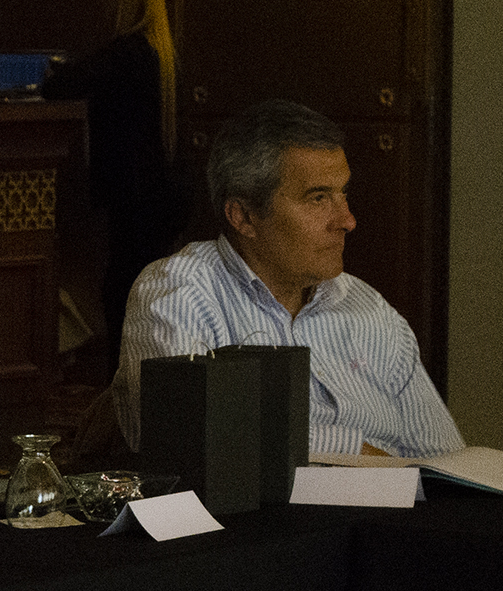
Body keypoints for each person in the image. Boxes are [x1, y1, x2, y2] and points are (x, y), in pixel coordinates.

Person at [110, 99, 462, 458]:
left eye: (343, 193)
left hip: (400, 493)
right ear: (244, 217)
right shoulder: (180, 293)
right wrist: (357, 454)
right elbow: (193, 435)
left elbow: (444, 459)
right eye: (318, 198)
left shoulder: (368, 307)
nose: (347, 220)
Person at [42, 0, 185, 359]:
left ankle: (122, 378)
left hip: (135, 193)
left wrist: (54, 70)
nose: (99, 7)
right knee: (142, 290)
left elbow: (59, 86)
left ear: (122, 1)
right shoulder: (160, 53)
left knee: (122, 292)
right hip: (159, 192)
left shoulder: (126, 53)